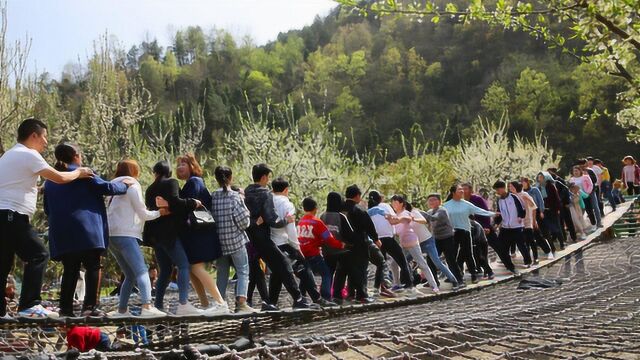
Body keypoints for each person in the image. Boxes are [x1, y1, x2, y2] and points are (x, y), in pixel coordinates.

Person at [0, 119, 93, 319]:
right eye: (44, 137)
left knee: (3, 263)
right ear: (33, 135)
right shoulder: (29, 154)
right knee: (38, 254)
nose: (45, 143)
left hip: (3, 215)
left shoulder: (9, 155)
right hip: (12, 215)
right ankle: (29, 305)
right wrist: (79, 172)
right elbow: (60, 178)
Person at [44, 143, 130, 317]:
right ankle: (90, 307)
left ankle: (65, 309)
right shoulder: (84, 173)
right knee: (93, 265)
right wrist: (126, 185)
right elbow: (108, 188)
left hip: (61, 232)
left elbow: (47, 209)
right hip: (86, 230)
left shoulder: (50, 180)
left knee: (70, 269)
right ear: (76, 155)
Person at [243, 164, 310, 309]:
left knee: (257, 272)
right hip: (263, 238)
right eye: (267, 177)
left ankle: (267, 302)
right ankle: (298, 298)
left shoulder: (246, 192)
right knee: (284, 264)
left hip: (248, 237)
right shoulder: (265, 193)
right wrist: (287, 220)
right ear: (264, 177)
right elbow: (272, 219)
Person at [106, 160, 166, 318]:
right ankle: (147, 305)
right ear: (134, 171)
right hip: (127, 234)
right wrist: (160, 212)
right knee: (141, 271)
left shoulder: (112, 186)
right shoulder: (132, 185)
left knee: (129, 274)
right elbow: (143, 214)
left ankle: (122, 310)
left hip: (111, 236)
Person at [143, 160, 203, 316]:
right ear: (168, 172)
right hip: (168, 234)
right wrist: (193, 202)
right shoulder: (171, 183)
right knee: (183, 265)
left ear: (155, 172)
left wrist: (168, 206)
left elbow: (160, 208)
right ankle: (183, 303)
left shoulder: (150, 189)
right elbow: (176, 203)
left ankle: (158, 304)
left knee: (165, 270)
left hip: (155, 237)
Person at [176, 154, 227, 315]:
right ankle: (205, 304)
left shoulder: (194, 182)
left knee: (196, 267)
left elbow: (186, 206)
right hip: (196, 234)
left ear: (192, 165)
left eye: (184, 163)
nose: (180, 167)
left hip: (199, 234)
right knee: (191, 269)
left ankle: (220, 302)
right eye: (178, 164)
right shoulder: (192, 183)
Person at [268, 178, 324, 307]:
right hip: (283, 241)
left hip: (270, 242)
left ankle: (272, 302)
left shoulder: (268, 200)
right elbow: (291, 228)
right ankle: (315, 298)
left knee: (277, 272)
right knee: (303, 267)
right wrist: (297, 247)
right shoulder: (287, 204)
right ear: (286, 190)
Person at [210, 166, 255, 313]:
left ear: (216, 179)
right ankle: (241, 303)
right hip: (235, 241)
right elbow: (244, 222)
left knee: (222, 273)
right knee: (243, 271)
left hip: (219, 242)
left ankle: (220, 303)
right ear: (231, 178)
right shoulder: (235, 197)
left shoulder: (213, 196)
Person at [443, 185, 497, 283]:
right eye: (459, 189)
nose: (462, 191)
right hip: (452, 232)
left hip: (465, 231)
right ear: (453, 192)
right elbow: (441, 218)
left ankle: (474, 274)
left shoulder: (466, 204)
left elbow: (480, 211)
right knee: (452, 255)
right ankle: (454, 275)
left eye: (462, 189)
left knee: (468, 254)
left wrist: (493, 214)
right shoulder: (446, 206)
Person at [297, 197, 344, 303]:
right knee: (326, 273)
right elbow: (329, 238)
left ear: (304, 209)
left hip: (302, 253)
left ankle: (301, 297)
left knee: (306, 274)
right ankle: (326, 296)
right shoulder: (317, 222)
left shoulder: (300, 221)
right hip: (313, 253)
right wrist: (341, 245)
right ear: (315, 208)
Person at [389, 195, 438, 293]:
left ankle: (434, 285)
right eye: (392, 202)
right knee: (394, 263)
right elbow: (395, 230)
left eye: (396, 202)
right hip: (403, 243)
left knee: (421, 263)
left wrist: (392, 219)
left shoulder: (406, 213)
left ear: (401, 203)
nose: (393, 204)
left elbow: (406, 219)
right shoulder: (394, 215)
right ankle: (396, 284)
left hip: (412, 242)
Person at [367, 191, 413, 293]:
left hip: (377, 240)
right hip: (388, 238)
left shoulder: (368, 211)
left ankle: (376, 287)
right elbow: (393, 220)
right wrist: (405, 217)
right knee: (402, 261)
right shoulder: (384, 206)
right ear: (380, 198)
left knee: (380, 264)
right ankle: (409, 285)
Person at [320, 192, 359, 304]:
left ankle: (325, 295)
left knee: (328, 273)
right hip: (342, 250)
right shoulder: (341, 216)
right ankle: (337, 294)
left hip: (327, 250)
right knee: (341, 272)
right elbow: (350, 234)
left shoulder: (323, 216)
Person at [342, 185, 379, 303]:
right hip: (359, 243)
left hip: (343, 243)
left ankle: (350, 293)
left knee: (349, 269)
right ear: (357, 196)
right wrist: (376, 239)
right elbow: (368, 226)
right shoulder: (359, 210)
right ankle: (362, 294)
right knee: (361, 268)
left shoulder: (339, 208)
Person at [424, 193, 466, 288]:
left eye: (434, 200)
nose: (432, 202)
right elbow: (427, 223)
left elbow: (434, 218)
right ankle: (434, 281)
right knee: (430, 259)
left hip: (447, 238)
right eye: (430, 200)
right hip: (436, 239)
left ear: (439, 201)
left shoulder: (442, 210)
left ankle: (459, 280)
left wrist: (420, 213)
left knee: (450, 259)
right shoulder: (429, 211)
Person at [510, 181, 550, 264]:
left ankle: (535, 258)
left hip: (528, 221)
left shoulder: (524, 194)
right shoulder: (511, 197)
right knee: (524, 242)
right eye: (509, 187)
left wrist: (534, 220)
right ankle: (527, 259)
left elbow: (534, 207)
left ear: (516, 187)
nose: (510, 188)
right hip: (518, 222)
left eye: (512, 187)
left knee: (531, 240)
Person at [492, 180, 529, 269]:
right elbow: (500, 213)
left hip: (516, 226)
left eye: (497, 190)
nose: (497, 192)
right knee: (502, 246)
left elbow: (522, 208)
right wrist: (496, 223)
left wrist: (520, 216)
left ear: (502, 188)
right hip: (505, 227)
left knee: (521, 245)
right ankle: (508, 264)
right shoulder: (499, 200)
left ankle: (528, 261)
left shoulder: (513, 197)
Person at [536, 172, 565, 252]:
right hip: (544, 211)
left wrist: (558, 208)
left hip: (553, 209)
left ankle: (562, 243)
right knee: (547, 229)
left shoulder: (550, 186)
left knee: (557, 227)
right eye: (539, 177)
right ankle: (552, 247)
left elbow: (556, 198)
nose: (540, 179)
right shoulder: (538, 188)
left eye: (541, 177)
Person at [577, 158, 602, 228]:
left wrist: (587, 176)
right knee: (587, 208)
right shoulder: (577, 171)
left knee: (595, 206)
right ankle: (592, 223)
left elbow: (595, 180)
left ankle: (599, 222)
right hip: (582, 193)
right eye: (581, 164)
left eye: (584, 164)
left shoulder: (590, 171)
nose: (582, 166)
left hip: (591, 191)